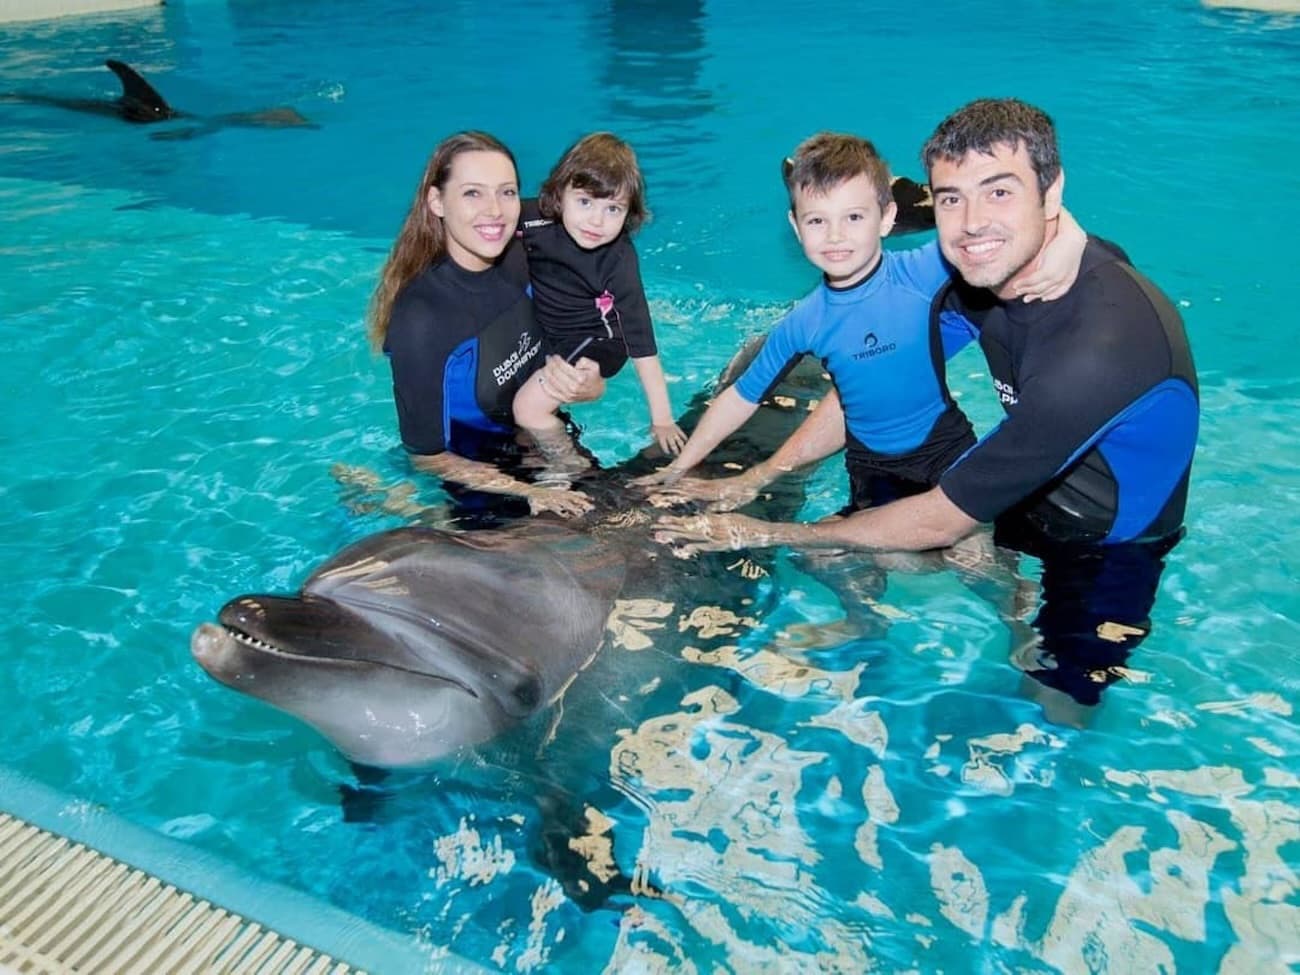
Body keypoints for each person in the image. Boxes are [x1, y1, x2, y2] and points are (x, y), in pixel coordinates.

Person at [655, 99, 1199, 713]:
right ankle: (894, 620)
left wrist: (759, 531)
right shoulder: (983, 279)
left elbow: (943, 517)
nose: (970, 224)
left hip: (1105, 547)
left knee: (1053, 708)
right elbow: (871, 384)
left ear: (1052, 193)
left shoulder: (1096, 352)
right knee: (844, 547)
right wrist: (759, 476)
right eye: (950, 199)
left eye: (999, 192)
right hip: (1023, 497)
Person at [635, 131, 1084, 517]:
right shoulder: (804, 320)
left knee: (976, 555)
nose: (834, 238)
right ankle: (855, 623)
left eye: (853, 218)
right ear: (796, 227)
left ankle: (1016, 613)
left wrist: (1070, 239)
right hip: (868, 462)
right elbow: (740, 396)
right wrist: (679, 466)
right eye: (817, 221)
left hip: (942, 447)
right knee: (857, 560)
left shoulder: (925, 270)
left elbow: (1008, 231)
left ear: (887, 218)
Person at [368, 130, 606, 520]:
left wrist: (590, 383)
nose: (494, 210)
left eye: (507, 192)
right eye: (473, 193)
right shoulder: (421, 320)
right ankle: (380, 496)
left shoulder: (523, 255)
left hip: (544, 437)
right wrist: (526, 491)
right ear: (436, 201)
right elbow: (428, 457)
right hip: (476, 479)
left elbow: (573, 339)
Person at [512, 132, 686, 458]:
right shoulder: (533, 219)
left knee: (527, 409)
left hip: (599, 338)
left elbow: (641, 340)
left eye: (613, 209)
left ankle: (569, 468)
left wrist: (662, 419)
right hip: (547, 329)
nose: (596, 220)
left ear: (629, 214)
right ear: (559, 194)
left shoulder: (618, 259)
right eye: (585, 202)